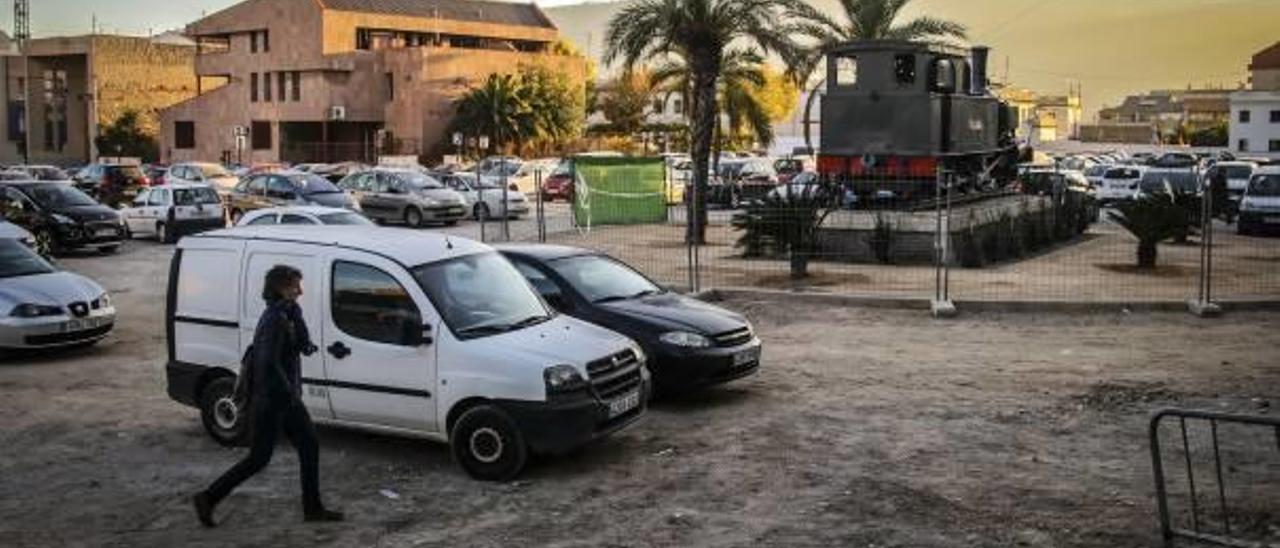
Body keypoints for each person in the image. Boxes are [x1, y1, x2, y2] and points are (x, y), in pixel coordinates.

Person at [193, 265, 343, 527]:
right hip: (273, 400)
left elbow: (294, 346)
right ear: (281, 288)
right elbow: (267, 362)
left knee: (305, 447)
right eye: (295, 286)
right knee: (260, 458)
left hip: (283, 397)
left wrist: (305, 343)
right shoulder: (274, 318)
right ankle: (208, 497)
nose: (300, 291)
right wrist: (289, 395)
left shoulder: (289, 312)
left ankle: (312, 507)